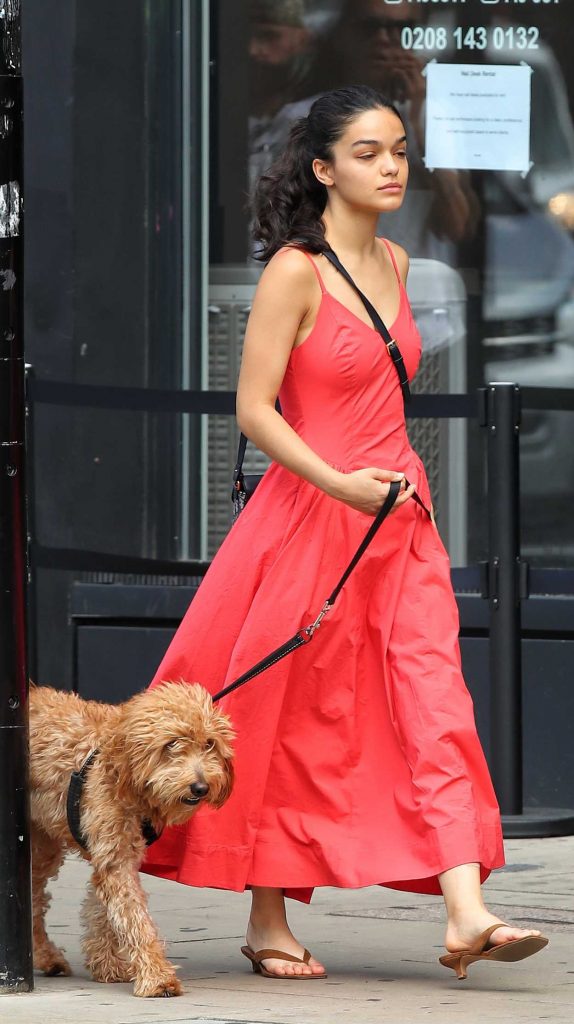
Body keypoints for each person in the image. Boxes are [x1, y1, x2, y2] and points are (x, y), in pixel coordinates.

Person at [143, 85, 547, 980]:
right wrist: (337, 484)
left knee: (435, 703)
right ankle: (268, 913)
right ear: (323, 168)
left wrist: (384, 493)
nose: (392, 166)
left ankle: (466, 911)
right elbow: (255, 410)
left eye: (399, 149)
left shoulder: (398, 262)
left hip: (401, 526)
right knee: (289, 713)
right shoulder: (295, 270)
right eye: (368, 153)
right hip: (311, 518)